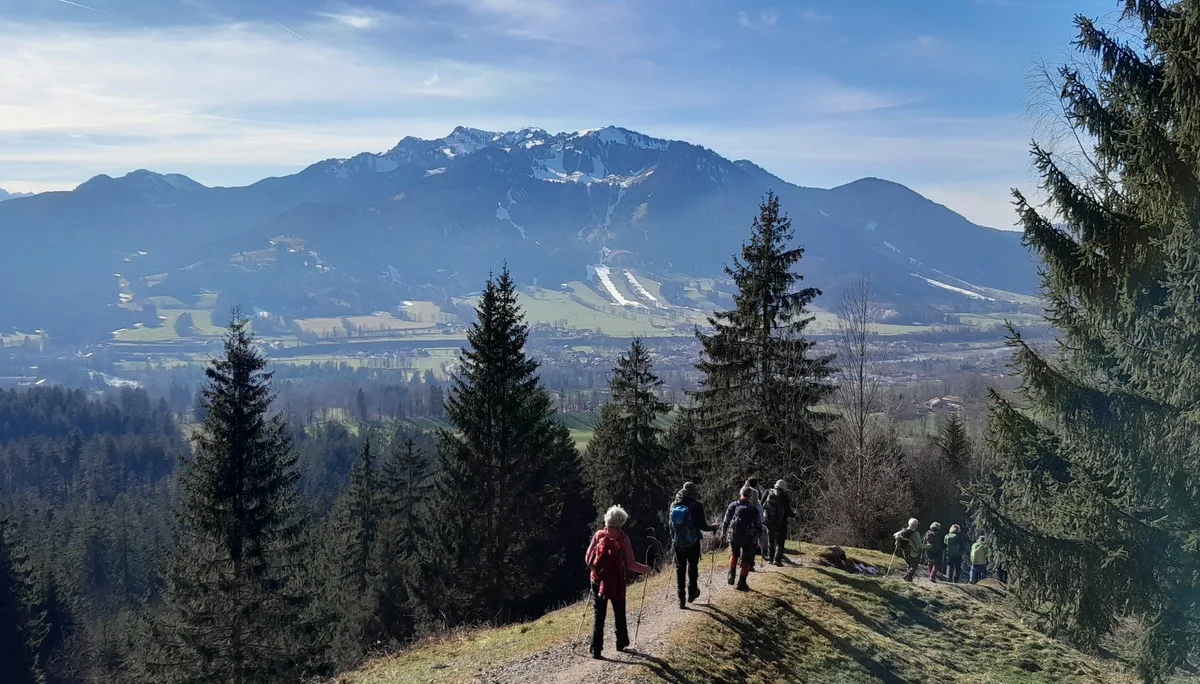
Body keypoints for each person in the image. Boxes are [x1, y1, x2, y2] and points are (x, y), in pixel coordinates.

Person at [585, 505, 654, 659]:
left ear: (607, 519)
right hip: (616, 581)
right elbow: (631, 564)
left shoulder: (598, 535)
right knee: (619, 611)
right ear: (621, 522)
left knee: (599, 613)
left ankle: (596, 649)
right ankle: (621, 642)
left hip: (597, 580)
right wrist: (647, 570)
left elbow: (588, 558)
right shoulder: (622, 538)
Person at [668, 481, 717, 609]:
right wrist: (713, 527)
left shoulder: (674, 504)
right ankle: (692, 591)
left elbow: (670, 526)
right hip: (693, 541)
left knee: (680, 568)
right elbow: (703, 526)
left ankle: (681, 598)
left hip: (678, 542)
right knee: (693, 566)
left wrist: (673, 540)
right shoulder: (696, 505)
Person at [721, 487, 763, 592]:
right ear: (750, 496)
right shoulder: (753, 509)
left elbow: (726, 520)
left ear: (740, 493)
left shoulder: (733, 505)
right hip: (749, 537)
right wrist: (759, 536)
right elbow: (758, 524)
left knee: (734, 554)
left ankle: (731, 573)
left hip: (734, 536)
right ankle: (741, 583)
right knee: (747, 559)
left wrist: (723, 532)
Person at [762, 479, 793, 566]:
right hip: (781, 521)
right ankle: (777, 559)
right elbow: (787, 510)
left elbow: (761, 504)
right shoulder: (784, 495)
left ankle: (770, 558)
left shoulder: (768, 492)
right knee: (780, 541)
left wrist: (764, 514)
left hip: (769, 520)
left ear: (775, 485)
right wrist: (794, 514)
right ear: (783, 487)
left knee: (770, 539)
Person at [743, 478, 767, 569]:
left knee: (744, 545)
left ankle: (742, 561)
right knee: (752, 546)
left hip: (743, 528)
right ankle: (750, 564)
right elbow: (761, 520)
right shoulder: (758, 503)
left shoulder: (741, 502)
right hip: (754, 529)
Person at [893, 517, 926, 582]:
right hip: (912, 551)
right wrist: (927, 546)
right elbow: (919, 545)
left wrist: (898, 538)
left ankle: (909, 579)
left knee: (909, 563)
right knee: (915, 564)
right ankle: (907, 576)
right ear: (916, 525)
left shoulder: (904, 530)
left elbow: (895, 534)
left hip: (904, 550)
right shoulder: (915, 533)